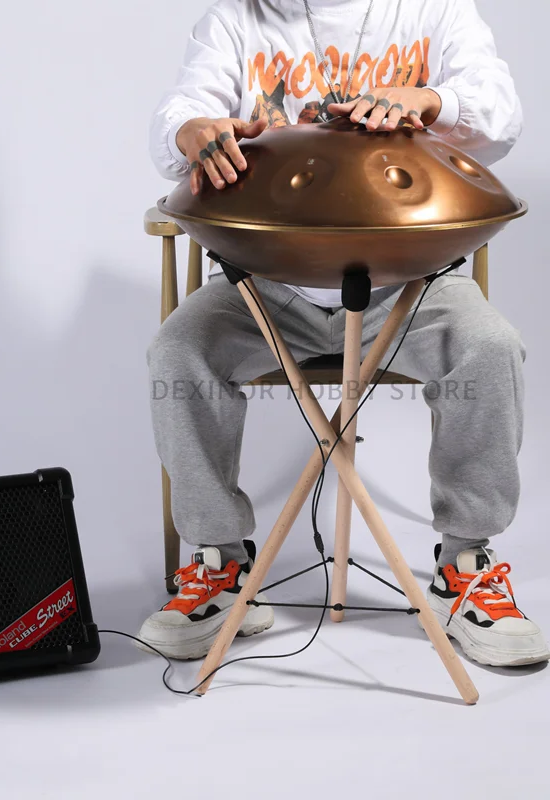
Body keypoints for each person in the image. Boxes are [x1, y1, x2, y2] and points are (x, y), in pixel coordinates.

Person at [139, 0, 550, 667]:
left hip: (410, 282)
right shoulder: (236, 18)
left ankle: (465, 565)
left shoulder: (433, 9)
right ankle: (219, 562)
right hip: (268, 282)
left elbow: (501, 115)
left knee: (490, 347)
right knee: (180, 351)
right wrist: (192, 130)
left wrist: (429, 98)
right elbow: (179, 116)